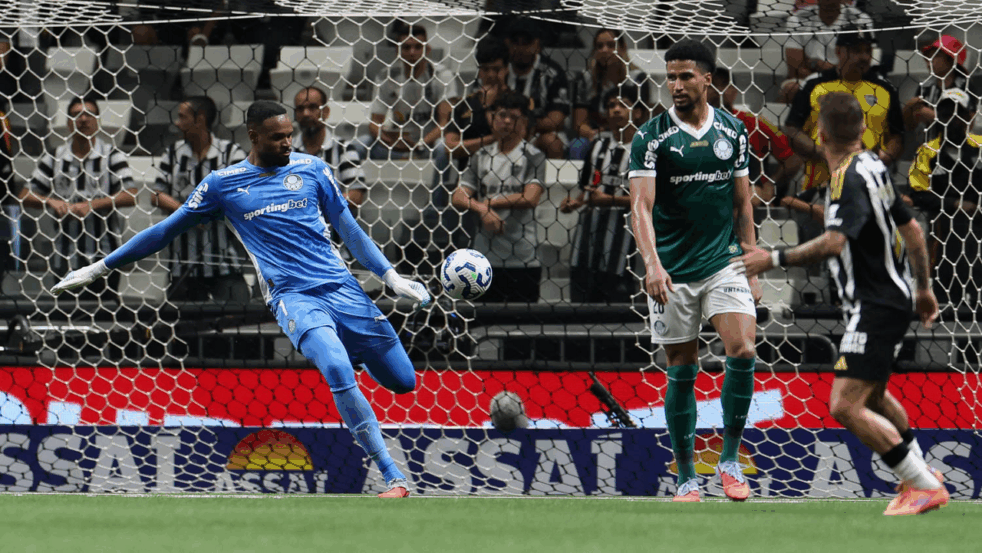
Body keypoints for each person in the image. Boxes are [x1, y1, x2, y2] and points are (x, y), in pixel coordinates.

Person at [50, 101, 432, 498]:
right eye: (278, 137)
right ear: (253, 136)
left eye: (289, 136)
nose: (288, 143)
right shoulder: (223, 184)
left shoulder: (314, 169)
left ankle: (353, 352)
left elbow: (350, 231)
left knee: (403, 382)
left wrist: (391, 277)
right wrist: (100, 267)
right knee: (336, 367)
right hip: (293, 297)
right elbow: (164, 231)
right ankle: (393, 477)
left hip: (343, 289)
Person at [736, 92, 949, 516]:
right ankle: (924, 472)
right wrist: (924, 289)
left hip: (875, 304)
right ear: (863, 130)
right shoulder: (874, 166)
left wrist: (772, 258)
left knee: (844, 405)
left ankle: (923, 484)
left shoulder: (846, 179)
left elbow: (834, 242)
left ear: (819, 134)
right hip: (892, 297)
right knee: (874, 396)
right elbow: (913, 231)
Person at [627, 39, 761, 503]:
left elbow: (742, 203)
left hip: (724, 262)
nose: (677, 85)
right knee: (682, 367)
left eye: (686, 76)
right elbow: (640, 208)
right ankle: (686, 477)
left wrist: (752, 264)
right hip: (672, 271)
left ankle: (729, 460)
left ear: (707, 79)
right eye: (671, 77)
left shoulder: (733, 131)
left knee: (743, 349)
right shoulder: (650, 137)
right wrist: (652, 264)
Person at [20, 96, 137, 303]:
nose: (83, 119)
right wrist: (51, 201)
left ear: (98, 121)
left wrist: (92, 205)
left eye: (89, 114)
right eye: (76, 115)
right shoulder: (55, 156)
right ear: (68, 123)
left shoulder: (112, 155)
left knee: (103, 313)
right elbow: (24, 195)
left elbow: (131, 194)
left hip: (104, 256)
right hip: (64, 256)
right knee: (66, 313)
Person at [784, 27, 904, 197]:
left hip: (870, 187)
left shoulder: (885, 88)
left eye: (868, 51)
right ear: (839, 51)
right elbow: (792, 130)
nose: (864, 57)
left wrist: (882, 158)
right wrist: (823, 153)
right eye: (856, 51)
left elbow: (897, 136)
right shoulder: (815, 84)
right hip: (820, 186)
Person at [152, 96, 249, 304]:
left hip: (224, 259)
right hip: (182, 263)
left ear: (200, 119)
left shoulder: (231, 152)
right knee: (184, 321)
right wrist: (188, 212)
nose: (177, 123)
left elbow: (243, 194)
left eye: (182, 117)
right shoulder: (172, 153)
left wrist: (210, 211)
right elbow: (156, 195)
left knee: (241, 312)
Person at [451, 91, 545, 303]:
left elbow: (531, 198)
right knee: (482, 320)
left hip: (523, 259)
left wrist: (490, 202)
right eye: (502, 115)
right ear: (492, 118)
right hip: (484, 260)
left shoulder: (533, 156)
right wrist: (482, 209)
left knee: (521, 320)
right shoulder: (481, 155)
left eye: (514, 117)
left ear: (524, 122)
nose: (507, 121)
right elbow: (458, 196)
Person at [559, 85, 643, 303]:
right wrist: (575, 203)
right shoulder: (597, 145)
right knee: (582, 301)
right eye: (611, 105)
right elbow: (589, 187)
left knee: (616, 305)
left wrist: (611, 200)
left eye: (623, 104)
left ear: (638, 112)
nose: (616, 109)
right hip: (588, 237)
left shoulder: (645, 148)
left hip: (624, 240)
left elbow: (650, 198)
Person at [909, 88, 982, 310]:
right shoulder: (926, 152)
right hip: (945, 235)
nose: (951, 119)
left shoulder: (981, 146)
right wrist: (955, 204)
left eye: (957, 113)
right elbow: (918, 194)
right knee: (946, 305)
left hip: (979, 231)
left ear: (968, 116)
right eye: (945, 113)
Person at [363, 20, 458, 160]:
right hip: (397, 146)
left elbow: (445, 124)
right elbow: (375, 122)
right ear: (398, 51)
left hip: (429, 145)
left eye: (418, 47)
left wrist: (420, 144)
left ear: (427, 49)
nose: (412, 52)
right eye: (406, 47)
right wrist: (386, 139)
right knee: (360, 144)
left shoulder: (442, 75)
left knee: (442, 146)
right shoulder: (386, 77)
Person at [707, 67, 802, 207]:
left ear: (735, 91)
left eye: (724, 85)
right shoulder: (689, 125)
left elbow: (793, 159)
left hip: (752, 199)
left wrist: (771, 184)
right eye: (712, 85)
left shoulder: (754, 122)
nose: (718, 90)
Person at [568, 28, 653, 160]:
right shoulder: (585, 79)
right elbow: (579, 123)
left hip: (629, 135)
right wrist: (593, 133)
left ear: (622, 48)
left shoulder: (637, 79)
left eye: (611, 45)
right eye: (599, 46)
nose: (605, 50)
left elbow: (641, 119)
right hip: (595, 135)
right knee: (577, 145)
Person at [780, 0, 874, 104]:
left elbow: (862, 63)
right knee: (791, 89)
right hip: (809, 78)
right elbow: (795, 70)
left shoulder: (860, 19)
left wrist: (816, 63)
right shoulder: (798, 19)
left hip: (850, 79)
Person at [505, 18, 571, 159]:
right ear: (507, 43)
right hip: (503, 130)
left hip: (539, 133)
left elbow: (556, 120)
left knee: (552, 142)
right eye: (515, 42)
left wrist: (523, 126)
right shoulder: (499, 69)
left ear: (538, 44)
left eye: (526, 42)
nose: (520, 48)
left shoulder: (552, 73)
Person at [293, 86, 367, 209]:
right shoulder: (286, 150)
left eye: (313, 107)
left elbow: (356, 195)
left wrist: (317, 206)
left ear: (326, 111)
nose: (306, 113)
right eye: (300, 109)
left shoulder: (344, 148)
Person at [903, 35, 980, 132]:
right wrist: (909, 108)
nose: (930, 61)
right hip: (930, 140)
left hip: (957, 140)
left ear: (951, 60)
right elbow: (910, 127)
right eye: (929, 57)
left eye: (936, 56)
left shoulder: (965, 86)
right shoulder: (925, 86)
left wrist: (934, 116)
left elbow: (969, 125)